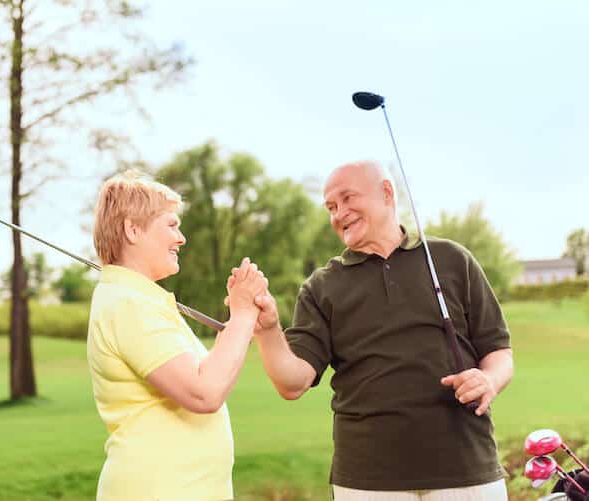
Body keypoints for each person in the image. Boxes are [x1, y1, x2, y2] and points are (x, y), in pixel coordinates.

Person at [240, 160, 514, 500]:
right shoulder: (322, 286)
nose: (340, 213)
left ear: (386, 192)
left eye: (348, 198)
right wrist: (267, 331)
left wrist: (488, 380)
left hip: (467, 471)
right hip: (367, 482)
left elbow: (499, 353)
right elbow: (291, 383)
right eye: (331, 207)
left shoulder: (452, 259)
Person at [86, 171, 266, 501]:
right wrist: (241, 316)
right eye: (171, 225)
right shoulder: (128, 304)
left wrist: (240, 329)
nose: (181, 238)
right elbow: (204, 393)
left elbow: (205, 374)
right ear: (133, 229)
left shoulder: (138, 300)